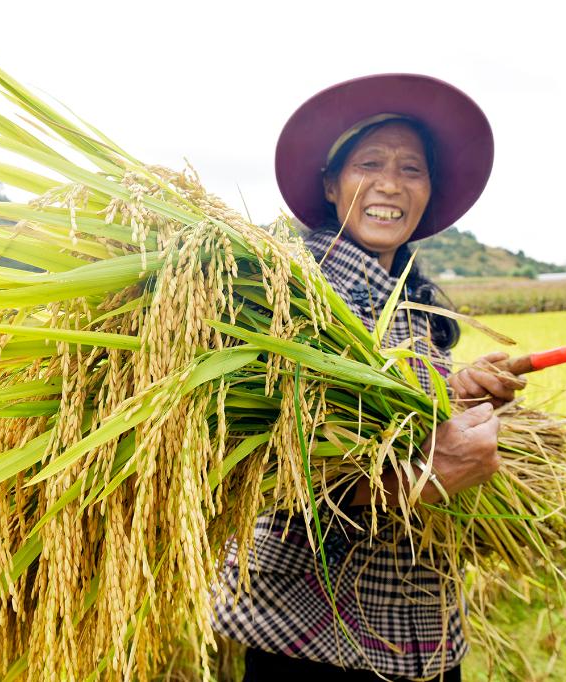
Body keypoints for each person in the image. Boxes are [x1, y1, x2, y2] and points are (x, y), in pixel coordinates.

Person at [213, 74, 525, 681]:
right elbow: (261, 468)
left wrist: (455, 390)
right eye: (369, 164)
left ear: (428, 191)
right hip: (311, 632)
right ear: (332, 184)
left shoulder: (415, 305)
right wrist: (424, 477)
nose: (390, 184)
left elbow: (385, 416)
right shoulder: (288, 295)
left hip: (421, 625)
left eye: (412, 168)